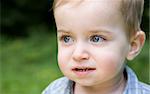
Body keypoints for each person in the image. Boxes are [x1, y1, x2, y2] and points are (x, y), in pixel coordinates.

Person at [42, 0, 150, 94]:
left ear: (132, 45)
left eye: (96, 39)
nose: (78, 54)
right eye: (67, 38)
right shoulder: (54, 91)